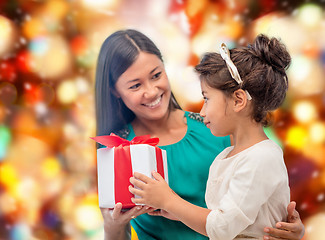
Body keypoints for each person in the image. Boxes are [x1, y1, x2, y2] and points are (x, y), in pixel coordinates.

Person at [95, 29, 305, 240]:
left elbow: (256, 198)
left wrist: (288, 227)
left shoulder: (216, 128)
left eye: (156, 75)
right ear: (115, 91)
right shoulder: (118, 151)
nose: (150, 91)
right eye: (135, 85)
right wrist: (112, 227)